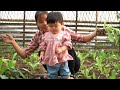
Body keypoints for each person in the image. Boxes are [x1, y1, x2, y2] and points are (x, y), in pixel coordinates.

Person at [1, 11, 106, 79]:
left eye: (47, 20)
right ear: (37, 24)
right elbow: (24, 54)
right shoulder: (39, 36)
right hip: (52, 65)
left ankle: (71, 75)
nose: (45, 24)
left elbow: (83, 39)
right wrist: (13, 42)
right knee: (42, 51)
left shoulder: (63, 30)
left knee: (66, 47)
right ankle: (52, 75)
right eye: (41, 22)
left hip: (70, 65)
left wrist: (95, 33)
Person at [39, 11, 73, 79]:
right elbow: (43, 45)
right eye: (51, 26)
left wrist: (61, 49)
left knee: (65, 71)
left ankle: (66, 77)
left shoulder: (64, 34)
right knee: (51, 72)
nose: (53, 28)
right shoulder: (46, 35)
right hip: (51, 57)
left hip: (62, 57)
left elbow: (68, 43)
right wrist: (42, 54)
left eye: (56, 26)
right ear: (47, 25)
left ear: (62, 24)